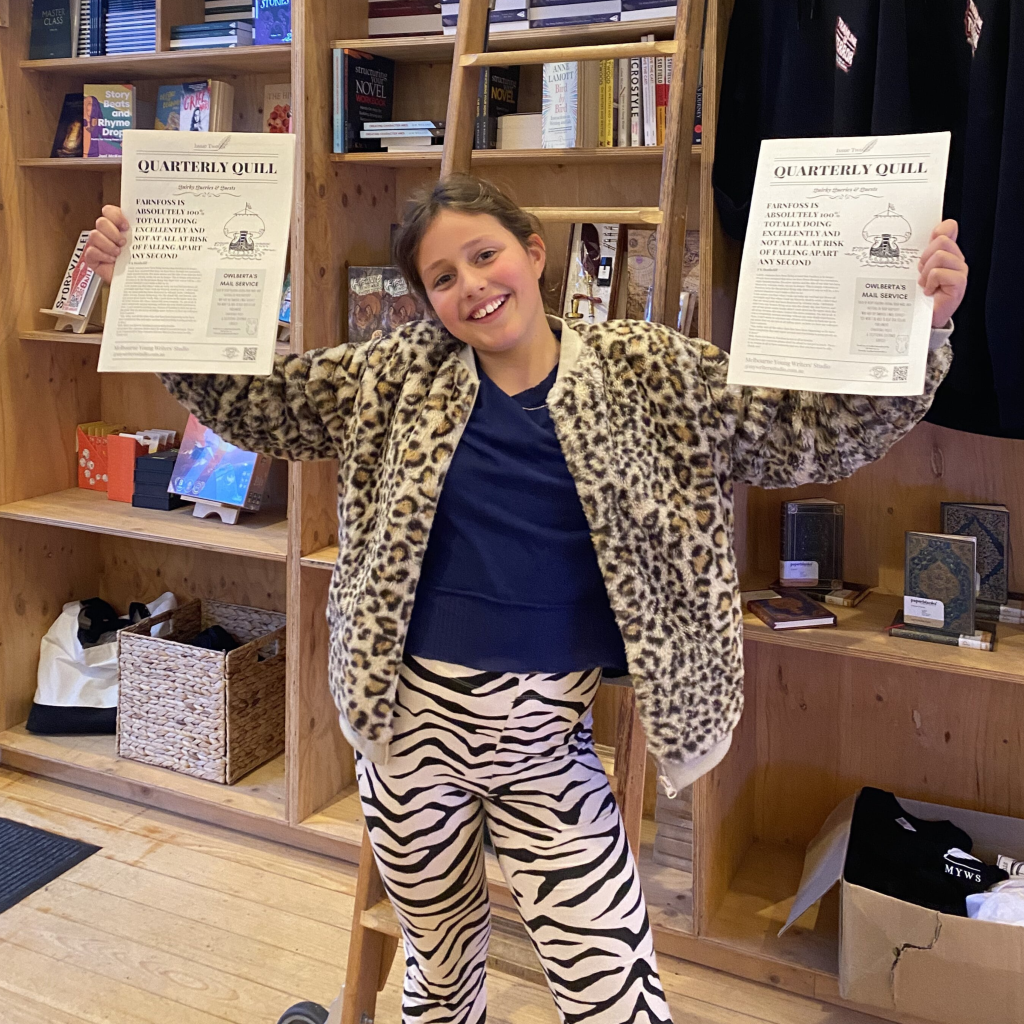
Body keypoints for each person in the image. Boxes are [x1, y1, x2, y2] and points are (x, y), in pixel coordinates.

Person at [84, 175, 968, 1024]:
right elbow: (260, 404)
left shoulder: (647, 369)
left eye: (484, 256)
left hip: (548, 750)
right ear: (427, 301)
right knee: (438, 969)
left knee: (615, 986)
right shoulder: (394, 373)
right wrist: (145, 292)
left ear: (533, 253)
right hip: (405, 742)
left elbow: (805, 437)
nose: (470, 285)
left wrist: (922, 326)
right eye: (442, 277)